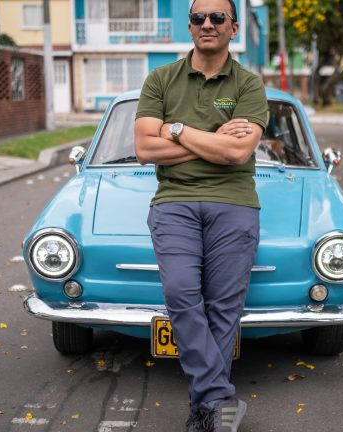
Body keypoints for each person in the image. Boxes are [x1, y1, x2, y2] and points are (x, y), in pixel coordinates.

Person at [134, 0, 268, 430]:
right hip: (173, 202)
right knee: (180, 294)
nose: (206, 24)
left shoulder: (249, 84)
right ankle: (219, 398)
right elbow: (144, 148)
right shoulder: (160, 79)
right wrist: (211, 136)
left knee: (224, 308)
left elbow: (237, 152)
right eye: (198, 17)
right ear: (189, 26)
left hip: (235, 202)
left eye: (217, 18)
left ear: (233, 28)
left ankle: (205, 411)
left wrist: (173, 128)